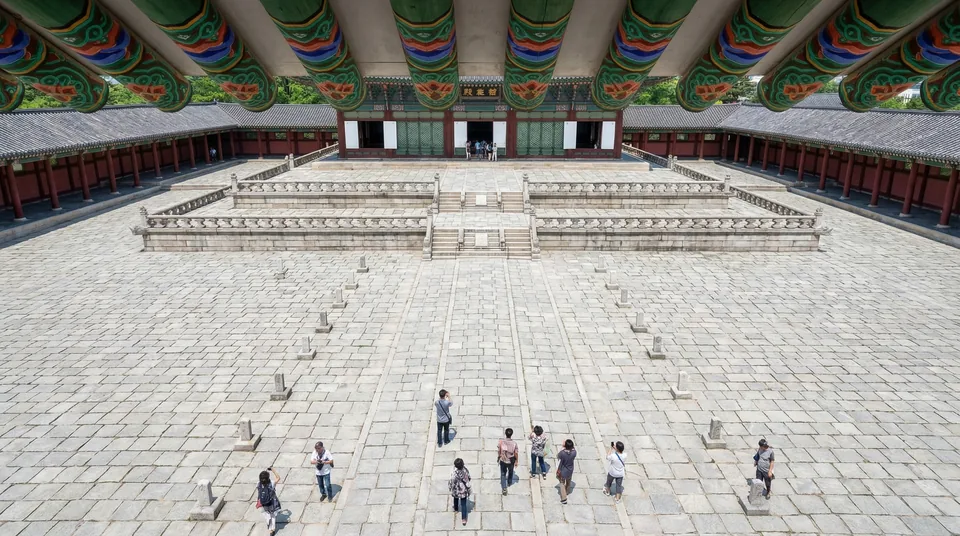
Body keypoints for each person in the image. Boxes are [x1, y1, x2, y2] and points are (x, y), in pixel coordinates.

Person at [255, 467, 282, 536]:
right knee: (272, 515)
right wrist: (273, 470)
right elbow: (278, 478)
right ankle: (272, 529)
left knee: (266, 514)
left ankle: (268, 523)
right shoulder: (272, 483)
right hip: (271, 502)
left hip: (263, 503)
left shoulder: (258, 483)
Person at [448, 458, 471, 526]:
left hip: (456, 490)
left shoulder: (454, 472)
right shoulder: (465, 470)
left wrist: (450, 488)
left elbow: (451, 481)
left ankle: (456, 509)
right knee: (463, 504)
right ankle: (464, 519)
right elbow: (469, 478)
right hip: (463, 490)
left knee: (455, 499)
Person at [498, 428, 519, 494]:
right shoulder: (514, 443)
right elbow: (516, 453)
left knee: (503, 473)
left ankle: (504, 488)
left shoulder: (501, 442)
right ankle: (509, 482)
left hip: (503, 460)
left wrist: (499, 456)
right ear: (511, 434)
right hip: (511, 461)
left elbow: (499, 450)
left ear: (505, 433)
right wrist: (516, 461)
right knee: (511, 471)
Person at [556, 439, 576, 504]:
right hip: (570, 470)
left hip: (563, 471)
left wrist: (562, 447)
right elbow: (573, 449)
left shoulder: (563, 453)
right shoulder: (574, 453)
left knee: (562, 483)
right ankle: (567, 491)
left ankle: (564, 498)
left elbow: (558, 456)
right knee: (568, 481)